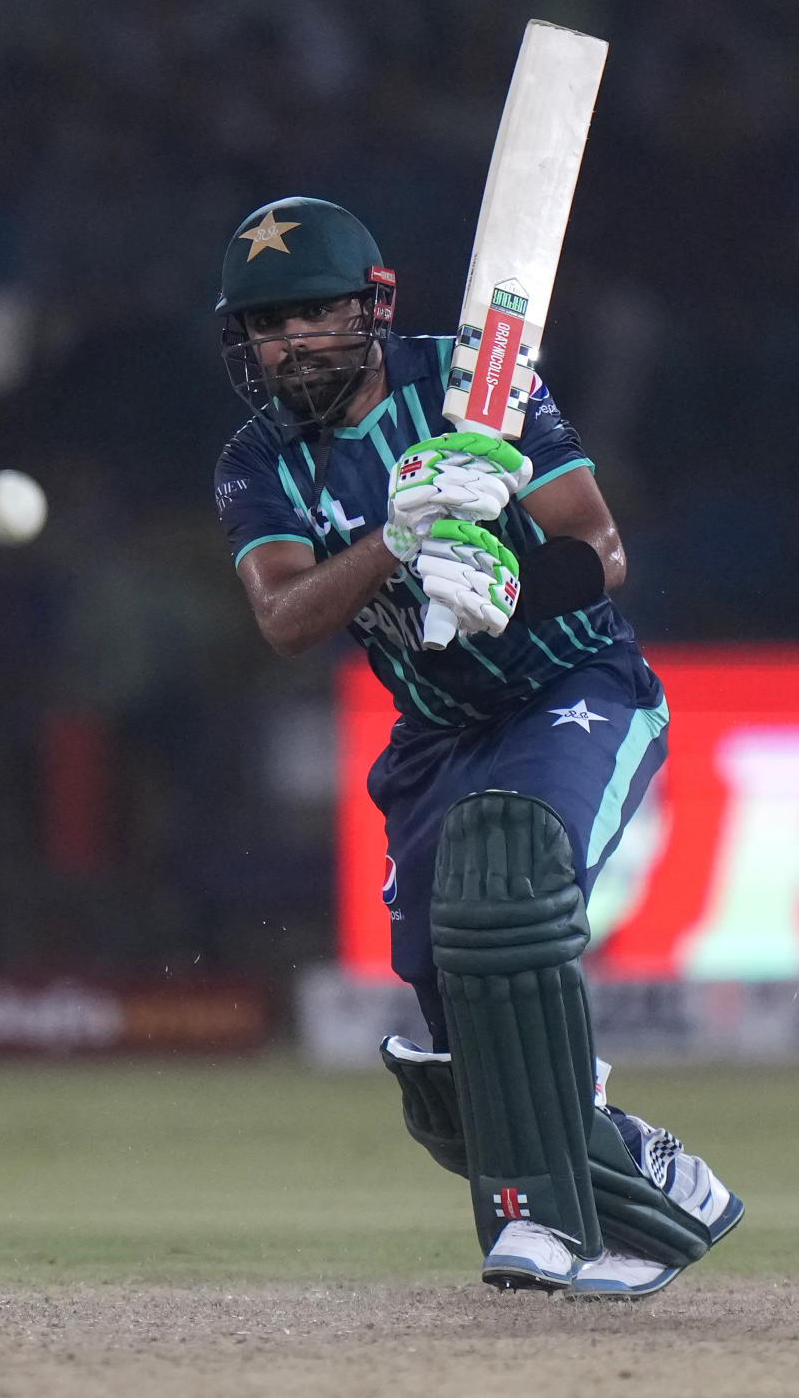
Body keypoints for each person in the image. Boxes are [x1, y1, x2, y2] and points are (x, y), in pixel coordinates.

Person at [213, 196, 743, 1297]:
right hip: (437, 733)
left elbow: (598, 546)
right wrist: (396, 540)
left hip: (572, 685)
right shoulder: (257, 459)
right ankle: (654, 1180)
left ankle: (549, 1227)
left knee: (507, 885)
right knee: (463, 1054)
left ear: (371, 308)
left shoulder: (470, 384)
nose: (290, 341)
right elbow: (284, 618)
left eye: (313, 312)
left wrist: (512, 584)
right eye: (267, 324)